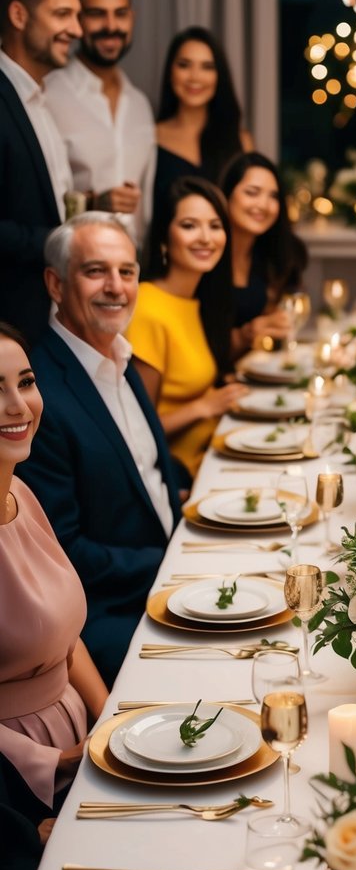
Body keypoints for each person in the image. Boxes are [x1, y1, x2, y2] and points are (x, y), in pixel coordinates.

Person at [17, 215, 179, 686]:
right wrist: (172, 560)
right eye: (95, 271)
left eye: (127, 272)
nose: (116, 287)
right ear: (55, 283)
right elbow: (63, 552)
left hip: (165, 577)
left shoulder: (119, 356)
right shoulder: (41, 390)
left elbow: (145, 473)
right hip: (111, 614)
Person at [0, 320, 108, 834]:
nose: (19, 406)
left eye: (25, 382)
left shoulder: (23, 496)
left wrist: (111, 717)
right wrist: (58, 760)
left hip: (78, 735)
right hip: (15, 785)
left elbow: (65, 633)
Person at [128, 176, 247, 479]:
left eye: (215, 226)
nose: (206, 238)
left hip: (215, 455)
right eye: (190, 225)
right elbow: (137, 431)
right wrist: (202, 407)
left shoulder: (199, 300)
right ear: (165, 240)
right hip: (179, 475)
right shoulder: (148, 309)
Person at [44, 0, 156, 247]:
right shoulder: (48, 93)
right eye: (97, 14)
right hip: (70, 268)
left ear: (132, 18)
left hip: (135, 269)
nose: (111, 26)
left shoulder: (141, 104)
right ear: (78, 19)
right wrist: (95, 202)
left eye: (120, 14)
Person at [0, 0, 81, 342]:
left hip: (43, 322)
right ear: (18, 14)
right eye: (63, 14)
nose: (77, 30)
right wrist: (60, 243)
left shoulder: (37, 98)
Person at [154, 26, 253, 219]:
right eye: (184, 65)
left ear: (219, 76)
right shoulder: (150, 137)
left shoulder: (241, 141)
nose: (195, 77)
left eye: (207, 67)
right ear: (170, 72)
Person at [219, 150, 306, 355]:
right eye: (252, 192)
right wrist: (246, 334)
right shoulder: (206, 254)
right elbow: (197, 344)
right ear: (227, 194)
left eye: (273, 196)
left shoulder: (268, 255)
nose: (264, 205)